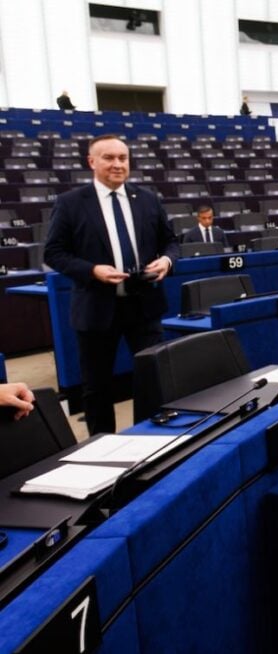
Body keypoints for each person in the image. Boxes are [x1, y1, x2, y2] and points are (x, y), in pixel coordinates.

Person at [44, 134, 179, 435]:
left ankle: (152, 440)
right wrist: (92, 270)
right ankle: (102, 449)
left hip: (144, 305)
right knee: (97, 388)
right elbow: (53, 253)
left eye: (123, 158)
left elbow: (170, 242)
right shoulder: (70, 203)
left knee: (154, 379)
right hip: (96, 307)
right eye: (109, 158)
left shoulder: (147, 199)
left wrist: (167, 261)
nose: (117, 164)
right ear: (92, 162)